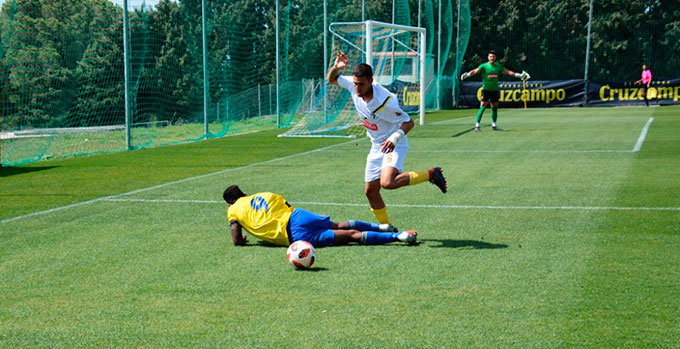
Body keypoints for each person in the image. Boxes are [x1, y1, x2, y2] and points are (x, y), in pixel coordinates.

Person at [326, 52, 447, 226]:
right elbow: (332, 79)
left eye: (361, 84)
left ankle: (431, 175)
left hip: (394, 144)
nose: (357, 89)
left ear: (371, 80)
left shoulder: (386, 102)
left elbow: (408, 122)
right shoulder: (354, 86)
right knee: (370, 192)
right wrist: (336, 68)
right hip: (377, 146)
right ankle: (388, 228)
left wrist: (395, 138)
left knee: (387, 182)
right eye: (355, 84)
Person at [223, 185, 417, 247]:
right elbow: (287, 206)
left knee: (350, 237)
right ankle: (381, 227)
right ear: (244, 194)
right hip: (297, 216)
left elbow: (234, 231)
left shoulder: (232, 209)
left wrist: (240, 240)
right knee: (339, 225)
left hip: (294, 237)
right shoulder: (264, 195)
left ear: (231, 201)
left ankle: (399, 237)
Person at [460, 50, 530, 131]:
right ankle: (477, 126)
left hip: (494, 91)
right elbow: (475, 71)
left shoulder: (498, 66)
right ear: (488, 57)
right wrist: (467, 75)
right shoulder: (484, 66)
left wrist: (520, 75)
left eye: (493, 57)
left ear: (495, 58)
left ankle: (494, 126)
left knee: (495, 107)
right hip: (486, 90)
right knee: (482, 107)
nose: (492, 58)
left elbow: (508, 72)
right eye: (490, 56)